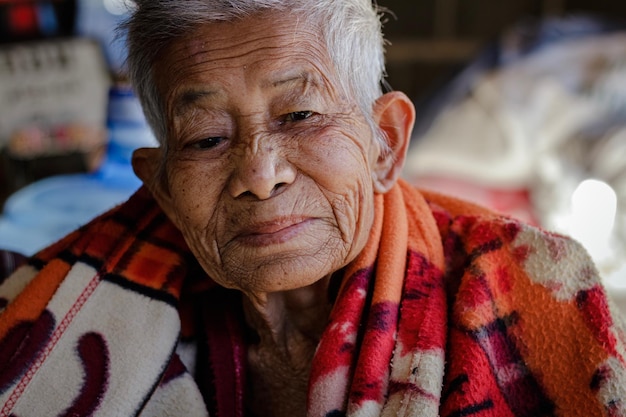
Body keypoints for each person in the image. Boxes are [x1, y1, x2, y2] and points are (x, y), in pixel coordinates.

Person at [0, 1, 625, 416]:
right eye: (207, 138)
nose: (260, 175)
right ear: (160, 184)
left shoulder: (533, 286)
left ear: (387, 143)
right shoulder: (50, 306)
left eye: (300, 116)